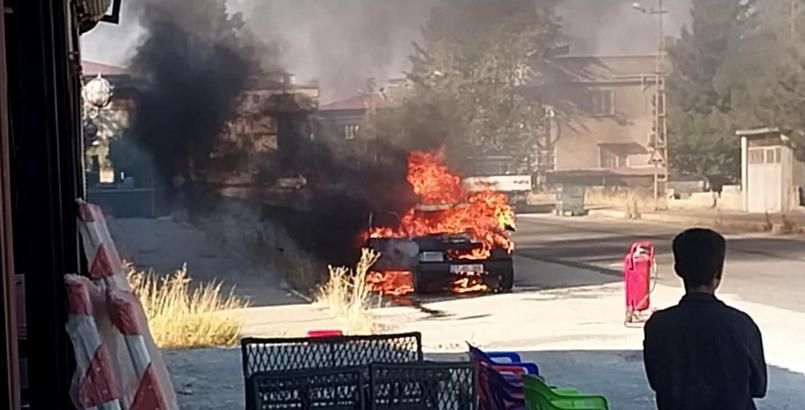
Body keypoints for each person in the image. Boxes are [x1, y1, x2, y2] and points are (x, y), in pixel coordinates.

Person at [643, 228, 767, 410]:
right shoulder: (741, 324)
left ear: (677, 269)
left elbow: (657, 382)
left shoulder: (658, 326)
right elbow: (758, 387)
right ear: (719, 272)